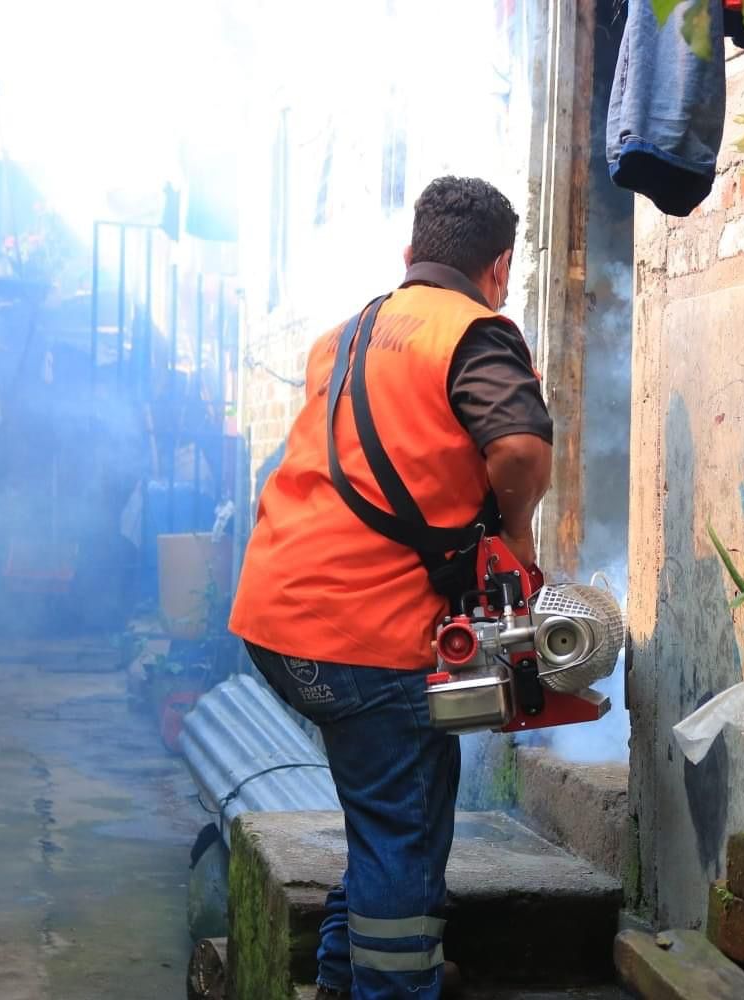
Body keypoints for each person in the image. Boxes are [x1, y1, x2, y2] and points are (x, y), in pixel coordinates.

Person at [229, 176, 553, 999]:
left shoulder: (342, 336)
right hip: (364, 638)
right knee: (405, 842)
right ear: (500, 266)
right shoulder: (476, 334)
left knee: (384, 823)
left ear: (410, 256)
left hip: (276, 619)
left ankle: (342, 980)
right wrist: (515, 537)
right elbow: (517, 450)